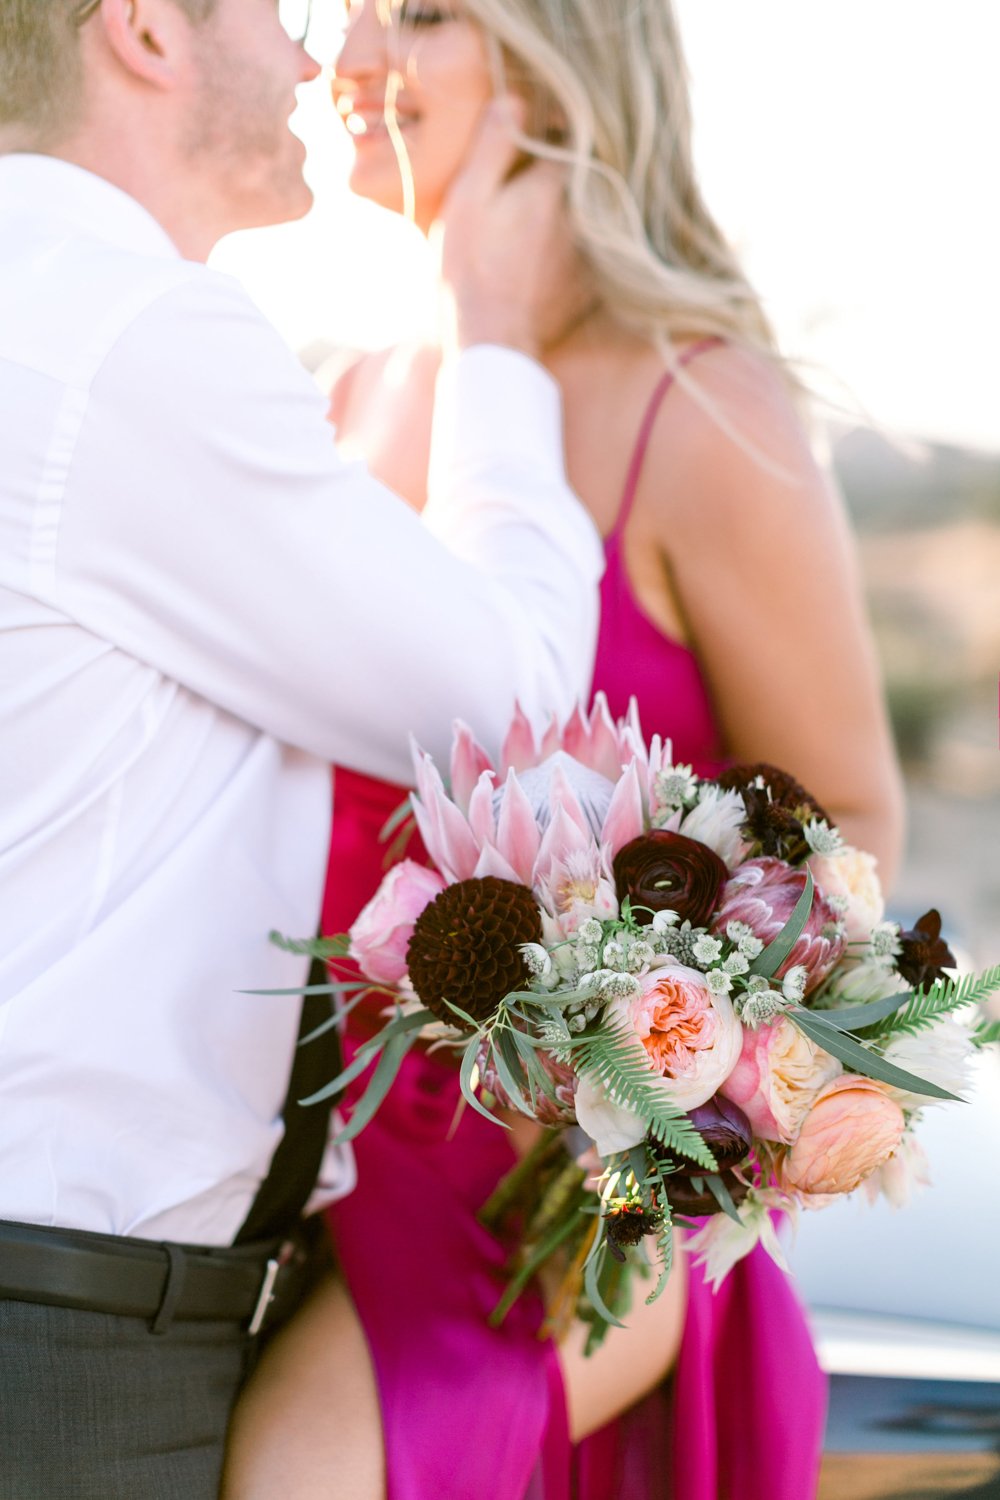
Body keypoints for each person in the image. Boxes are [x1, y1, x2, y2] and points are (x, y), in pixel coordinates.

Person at [221, 3, 905, 1498]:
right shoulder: (347, 398)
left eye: (423, 15)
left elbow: (849, 811)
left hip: (580, 1202)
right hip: (324, 1179)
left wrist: (665, 1068)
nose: (348, 63)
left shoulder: (698, 400)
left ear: (561, 61)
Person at [0, 0, 610, 1493]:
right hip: (57, 1348)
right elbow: (509, 707)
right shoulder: (120, 326)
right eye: (276, 10)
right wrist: (502, 337)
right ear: (144, 27)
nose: (312, 54)